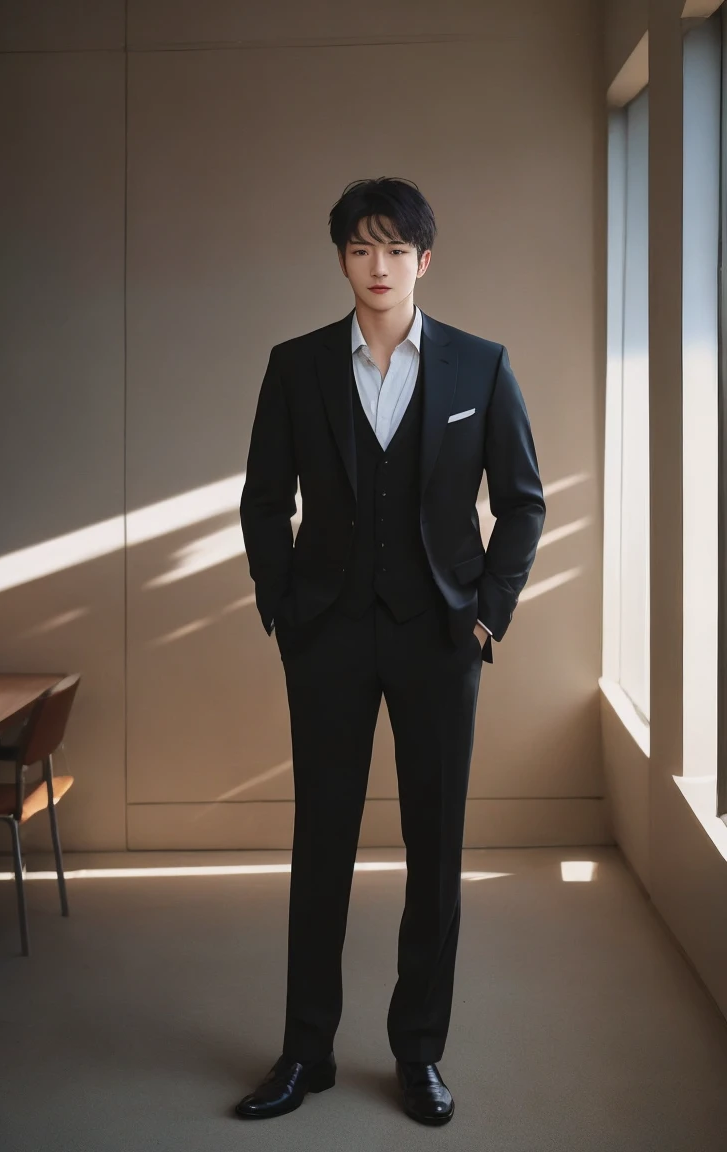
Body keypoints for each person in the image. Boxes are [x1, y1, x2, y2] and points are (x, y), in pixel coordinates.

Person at [236, 177, 546, 1124]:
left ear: (424, 260)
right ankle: (305, 1053)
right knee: (318, 849)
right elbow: (262, 501)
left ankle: (418, 1055)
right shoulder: (295, 367)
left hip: (439, 638)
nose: (380, 267)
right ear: (341, 259)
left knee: (435, 852)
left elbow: (524, 500)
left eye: (397, 250)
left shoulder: (480, 368)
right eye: (362, 249)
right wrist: (285, 611)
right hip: (327, 637)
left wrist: (487, 612)